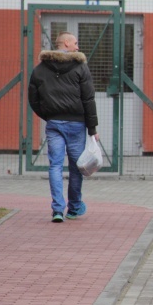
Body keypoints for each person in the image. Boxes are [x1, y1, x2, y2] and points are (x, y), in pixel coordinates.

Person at [28, 31, 99, 223]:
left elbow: (33, 99)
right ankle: (74, 208)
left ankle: (57, 210)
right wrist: (92, 128)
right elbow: (88, 99)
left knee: (55, 166)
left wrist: (49, 116)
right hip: (77, 124)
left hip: (54, 124)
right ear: (66, 43)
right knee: (77, 167)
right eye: (75, 43)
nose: (77, 47)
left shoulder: (40, 69)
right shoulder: (80, 67)